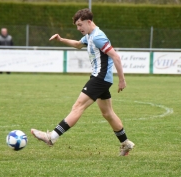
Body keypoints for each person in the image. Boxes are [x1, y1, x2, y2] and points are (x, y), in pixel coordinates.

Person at [31, 8, 135, 156]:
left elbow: (115, 57)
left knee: (78, 106)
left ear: (89, 22)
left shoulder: (98, 37)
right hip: (102, 79)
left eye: (80, 25)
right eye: (77, 26)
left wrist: (122, 80)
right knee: (108, 113)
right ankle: (126, 143)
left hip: (100, 78)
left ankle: (51, 137)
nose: (79, 28)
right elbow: (78, 44)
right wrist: (61, 39)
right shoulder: (90, 35)